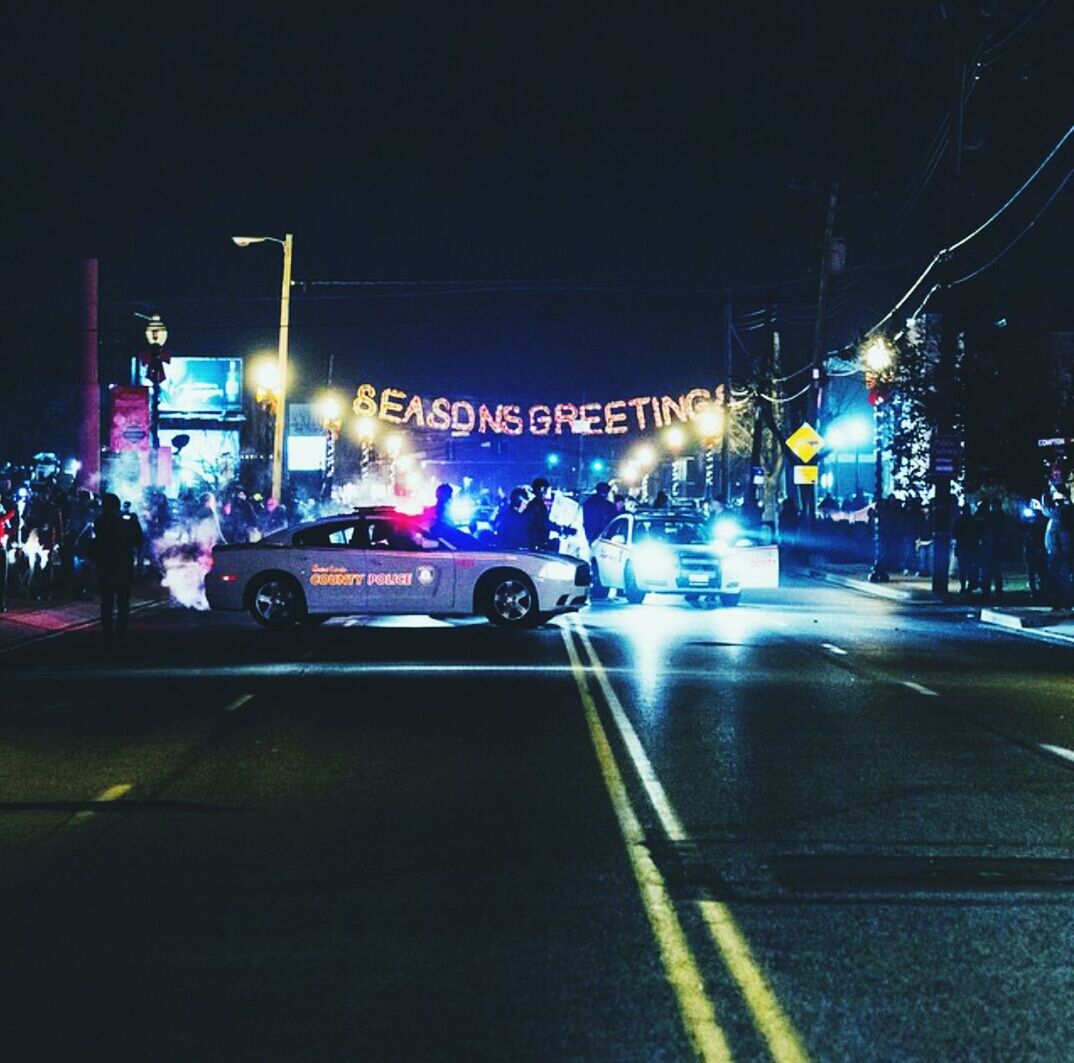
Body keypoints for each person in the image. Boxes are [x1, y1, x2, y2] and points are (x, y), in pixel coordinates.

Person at [94, 492, 144, 638]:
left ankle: (107, 631)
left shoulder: (100, 521)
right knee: (123, 600)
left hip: (105, 564)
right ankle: (120, 630)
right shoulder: (124, 522)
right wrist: (134, 521)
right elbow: (138, 539)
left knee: (106, 600)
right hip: (122, 564)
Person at [952, 502, 981, 595]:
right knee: (968, 568)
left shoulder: (959, 521)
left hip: (964, 547)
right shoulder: (973, 521)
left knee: (963, 568)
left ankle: (964, 586)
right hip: (970, 547)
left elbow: (955, 534)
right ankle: (968, 586)